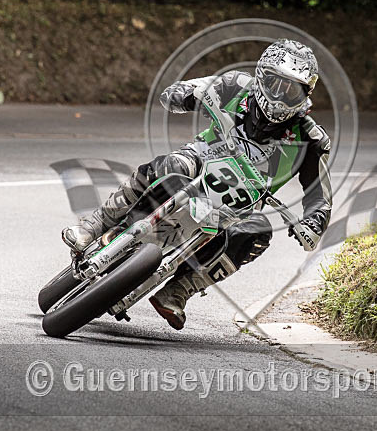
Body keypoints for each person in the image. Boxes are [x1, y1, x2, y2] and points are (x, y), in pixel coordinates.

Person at [62, 39, 332, 330]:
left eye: (291, 89)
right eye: (276, 84)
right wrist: (184, 94)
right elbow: (181, 92)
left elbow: (320, 195)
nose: (280, 96)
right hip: (201, 159)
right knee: (169, 165)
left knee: (258, 233)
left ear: (305, 93)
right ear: (261, 77)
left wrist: (313, 223)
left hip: (243, 201)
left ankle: (179, 290)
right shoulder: (235, 85)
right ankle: (94, 225)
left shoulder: (311, 139)